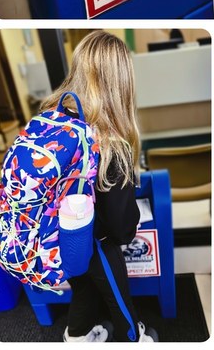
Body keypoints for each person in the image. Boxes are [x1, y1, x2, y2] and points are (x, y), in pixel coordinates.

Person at [51, 31, 156, 344]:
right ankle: (134, 337)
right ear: (121, 83)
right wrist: (128, 228)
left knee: (83, 289)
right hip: (97, 240)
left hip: (61, 233)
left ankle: (78, 336)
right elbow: (120, 226)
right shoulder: (112, 145)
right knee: (118, 297)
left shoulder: (55, 120)